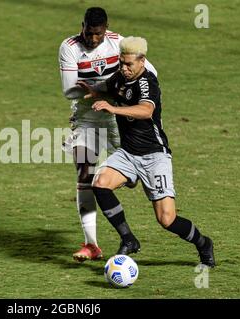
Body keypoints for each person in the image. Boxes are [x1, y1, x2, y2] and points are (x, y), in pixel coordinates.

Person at [82, 36, 215, 267]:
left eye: (129, 64)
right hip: (128, 154)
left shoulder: (147, 82)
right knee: (100, 183)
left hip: (154, 156)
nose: (123, 68)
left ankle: (204, 244)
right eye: (121, 63)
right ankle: (128, 239)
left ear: (142, 61)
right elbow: (108, 86)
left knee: (166, 219)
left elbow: (145, 110)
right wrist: (94, 91)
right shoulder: (120, 77)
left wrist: (111, 107)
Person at [59, 7, 158, 262]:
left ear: (106, 29)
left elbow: (150, 72)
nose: (93, 39)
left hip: (118, 116)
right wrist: (107, 87)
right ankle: (91, 244)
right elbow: (70, 91)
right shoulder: (69, 47)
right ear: (82, 26)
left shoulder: (118, 43)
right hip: (87, 117)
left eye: (98, 34)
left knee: (136, 174)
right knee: (84, 172)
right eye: (89, 33)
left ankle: (127, 176)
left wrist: (117, 91)